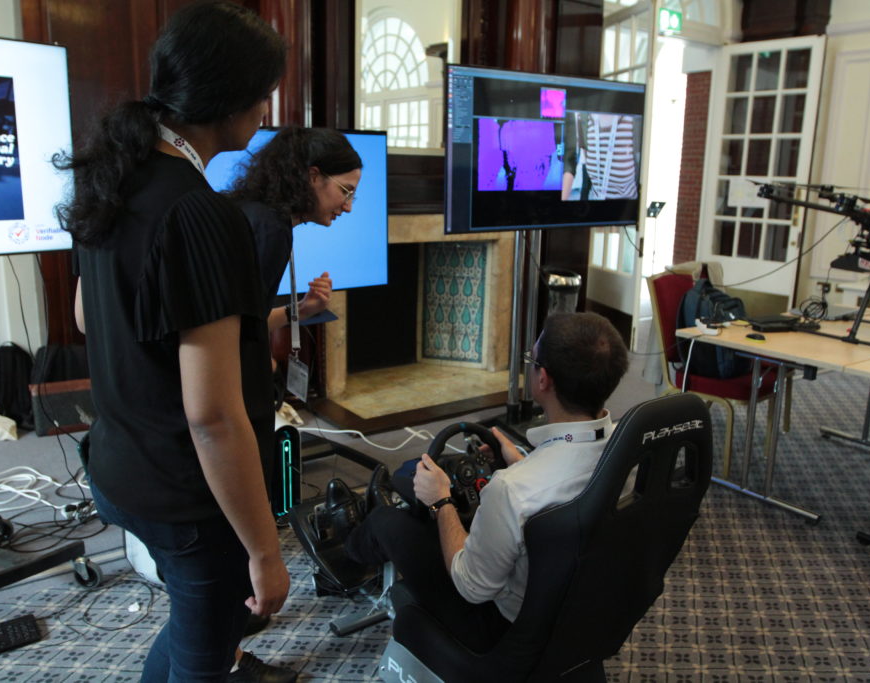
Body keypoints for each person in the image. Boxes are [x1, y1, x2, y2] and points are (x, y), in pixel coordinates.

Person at [55, 3, 294, 681]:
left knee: (194, 625)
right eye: (264, 92)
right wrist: (265, 550)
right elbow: (212, 415)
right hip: (189, 497)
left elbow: (83, 313)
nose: (267, 107)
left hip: (119, 465)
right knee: (208, 648)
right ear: (230, 98)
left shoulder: (114, 174)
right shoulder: (199, 212)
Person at [343, 312, 630, 653]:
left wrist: (441, 502)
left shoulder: (511, 489)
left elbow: (471, 586)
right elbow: (566, 486)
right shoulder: (630, 451)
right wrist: (524, 462)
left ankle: (345, 559)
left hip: (505, 630)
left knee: (387, 522)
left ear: (544, 380)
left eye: (532, 360)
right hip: (583, 609)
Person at [226, 126, 363, 332]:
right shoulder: (270, 229)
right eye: (346, 191)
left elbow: (249, 323)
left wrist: (302, 309)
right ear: (313, 176)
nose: (348, 206)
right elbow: (234, 330)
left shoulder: (259, 214)